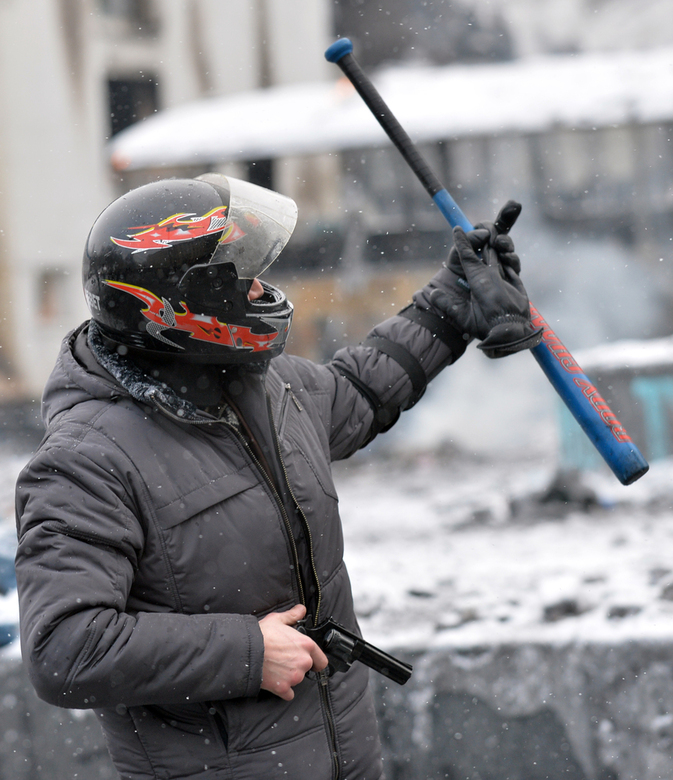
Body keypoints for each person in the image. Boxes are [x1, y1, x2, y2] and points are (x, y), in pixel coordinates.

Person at [14, 173, 541, 780]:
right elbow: (65, 649)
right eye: (237, 277)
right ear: (179, 305)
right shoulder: (84, 462)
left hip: (346, 755)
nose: (261, 289)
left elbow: (360, 391)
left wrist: (449, 306)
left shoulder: (261, 385)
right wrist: (248, 652)